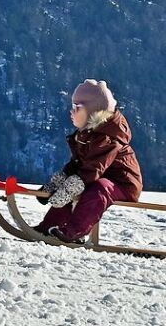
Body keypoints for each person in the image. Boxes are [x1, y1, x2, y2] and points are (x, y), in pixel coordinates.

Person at [35, 79, 142, 243]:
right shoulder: (86, 135)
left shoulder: (109, 139)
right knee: (74, 186)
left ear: (93, 111)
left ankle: (73, 231)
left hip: (123, 185)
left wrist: (70, 187)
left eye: (77, 108)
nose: (71, 112)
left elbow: (94, 168)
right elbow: (77, 165)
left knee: (97, 188)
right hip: (96, 177)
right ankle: (49, 226)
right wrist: (56, 184)